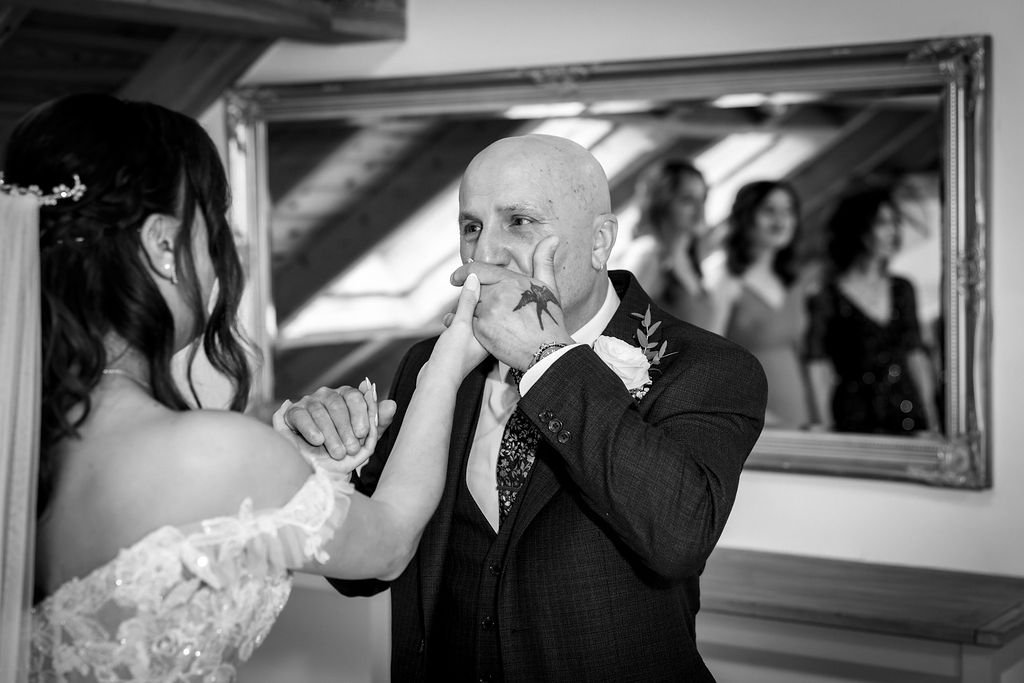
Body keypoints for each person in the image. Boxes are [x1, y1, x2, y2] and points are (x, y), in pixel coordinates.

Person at [8, 93, 486, 682]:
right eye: (214, 230)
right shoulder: (209, 450)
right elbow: (388, 543)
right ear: (163, 245)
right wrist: (448, 360)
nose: (216, 264)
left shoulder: (24, 435)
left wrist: (303, 475)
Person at [284, 134, 768, 680]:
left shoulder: (705, 367)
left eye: (518, 221)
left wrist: (548, 358)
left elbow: (678, 538)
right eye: (472, 226)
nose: (484, 254)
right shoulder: (434, 362)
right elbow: (364, 573)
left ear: (599, 240)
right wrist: (334, 474)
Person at [806, 186, 940, 435]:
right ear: (858, 229)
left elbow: (915, 354)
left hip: (907, 409)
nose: (892, 232)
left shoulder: (902, 288)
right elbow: (817, 364)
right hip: (853, 415)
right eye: (882, 223)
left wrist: (932, 419)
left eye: (895, 222)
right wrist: (824, 424)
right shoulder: (827, 296)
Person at [718, 180, 819, 429]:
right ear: (746, 216)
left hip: (799, 416)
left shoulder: (793, 283)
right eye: (769, 210)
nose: (780, 220)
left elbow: (804, 358)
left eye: (788, 211)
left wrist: (818, 415)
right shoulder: (725, 279)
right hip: (750, 421)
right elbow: (708, 362)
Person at [623, 159, 723, 331]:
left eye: (703, 199)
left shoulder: (687, 256)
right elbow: (624, 326)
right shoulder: (649, 253)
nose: (700, 210)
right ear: (662, 202)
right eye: (688, 200)